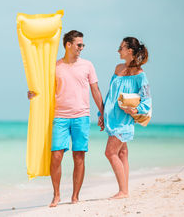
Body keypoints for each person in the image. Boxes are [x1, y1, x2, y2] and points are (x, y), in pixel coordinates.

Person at [28, 30, 104, 207]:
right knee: (56, 156)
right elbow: (43, 89)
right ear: (68, 45)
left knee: (79, 156)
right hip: (60, 117)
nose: (81, 48)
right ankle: (56, 195)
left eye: (83, 45)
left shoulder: (87, 65)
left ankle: (75, 196)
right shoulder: (55, 66)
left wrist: (101, 113)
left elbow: (95, 90)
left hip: (81, 116)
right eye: (79, 45)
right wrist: (33, 94)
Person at [100, 37, 152, 199]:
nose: (118, 50)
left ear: (130, 51)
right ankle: (124, 190)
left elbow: (147, 99)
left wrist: (135, 109)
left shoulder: (140, 75)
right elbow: (110, 94)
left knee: (110, 153)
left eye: (121, 47)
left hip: (125, 120)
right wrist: (102, 114)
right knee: (122, 154)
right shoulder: (118, 68)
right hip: (112, 118)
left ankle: (123, 191)